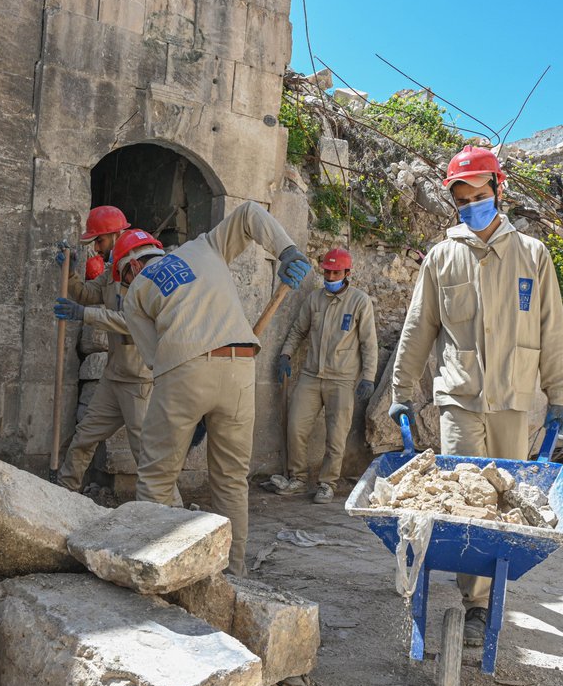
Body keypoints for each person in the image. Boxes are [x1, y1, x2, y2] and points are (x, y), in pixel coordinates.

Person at [388, 145, 563, 646]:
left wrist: (561, 394)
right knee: (466, 501)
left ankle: (492, 593)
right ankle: (473, 604)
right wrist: (402, 390)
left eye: (480, 194)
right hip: (459, 400)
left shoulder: (532, 255)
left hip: (514, 401)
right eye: (463, 198)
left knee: (503, 503)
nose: (473, 204)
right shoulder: (442, 257)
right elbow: (418, 329)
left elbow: (552, 330)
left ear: (499, 190)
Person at [120, 202, 311, 576]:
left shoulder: (135, 292)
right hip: (241, 368)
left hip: (183, 370)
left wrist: (189, 411)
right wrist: (286, 250)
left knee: (157, 478)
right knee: (230, 482)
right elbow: (248, 213)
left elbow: (156, 361)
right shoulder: (203, 246)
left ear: (129, 268)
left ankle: (163, 572)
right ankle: (233, 576)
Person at [52, 206, 158, 495]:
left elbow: (132, 323)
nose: (96, 249)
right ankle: (63, 494)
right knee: (84, 437)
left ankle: (169, 511)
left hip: (139, 380)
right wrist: (70, 273)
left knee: (146, 454)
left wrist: (82, 314)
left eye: (99, 241)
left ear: (115, 234)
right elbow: (88, 294)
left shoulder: (142, 269)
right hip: (113, 377)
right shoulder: (114, 270)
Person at [265, 247, 378, 504]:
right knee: (295, 426)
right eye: (327, 272)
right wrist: (285, 355)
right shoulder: (314, 300)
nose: (330, 276)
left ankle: (327, 483)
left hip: (342, 379)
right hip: (311, 375)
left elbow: (369, 344)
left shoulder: (360, 302)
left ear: (347, 273)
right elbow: (297, 331)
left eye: (335, 272)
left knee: (336, 435)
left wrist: (368, 377)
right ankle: (298, 477)